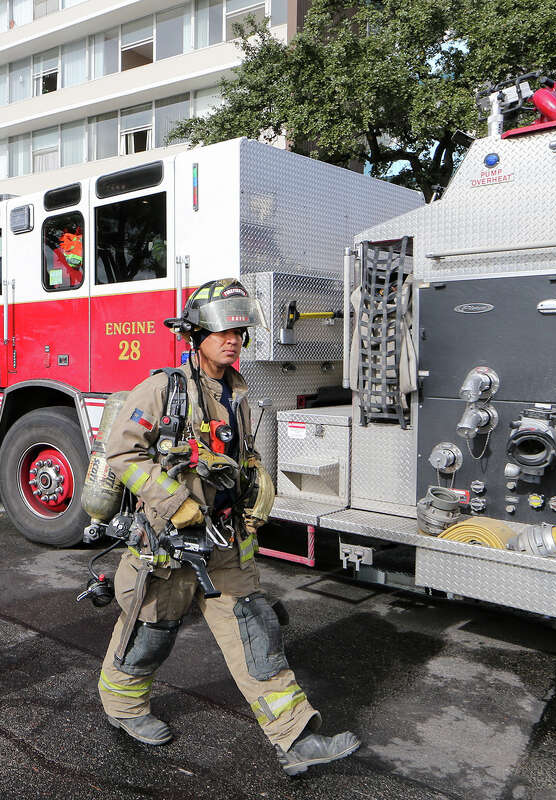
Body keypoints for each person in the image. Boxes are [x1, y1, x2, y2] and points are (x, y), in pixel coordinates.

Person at [95, 278, 359, 776]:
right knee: (150, 634)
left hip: (223, 542)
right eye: (221, 331)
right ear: (195, 335)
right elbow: (123, 454)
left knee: (256, 631)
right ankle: (124, 708)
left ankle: (295, 738)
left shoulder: (238, 393)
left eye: (238, 330)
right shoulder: (162, 389)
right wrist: (176, 502)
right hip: (166, 546)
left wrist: (256, 486)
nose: (232, 339)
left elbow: (236, 457)